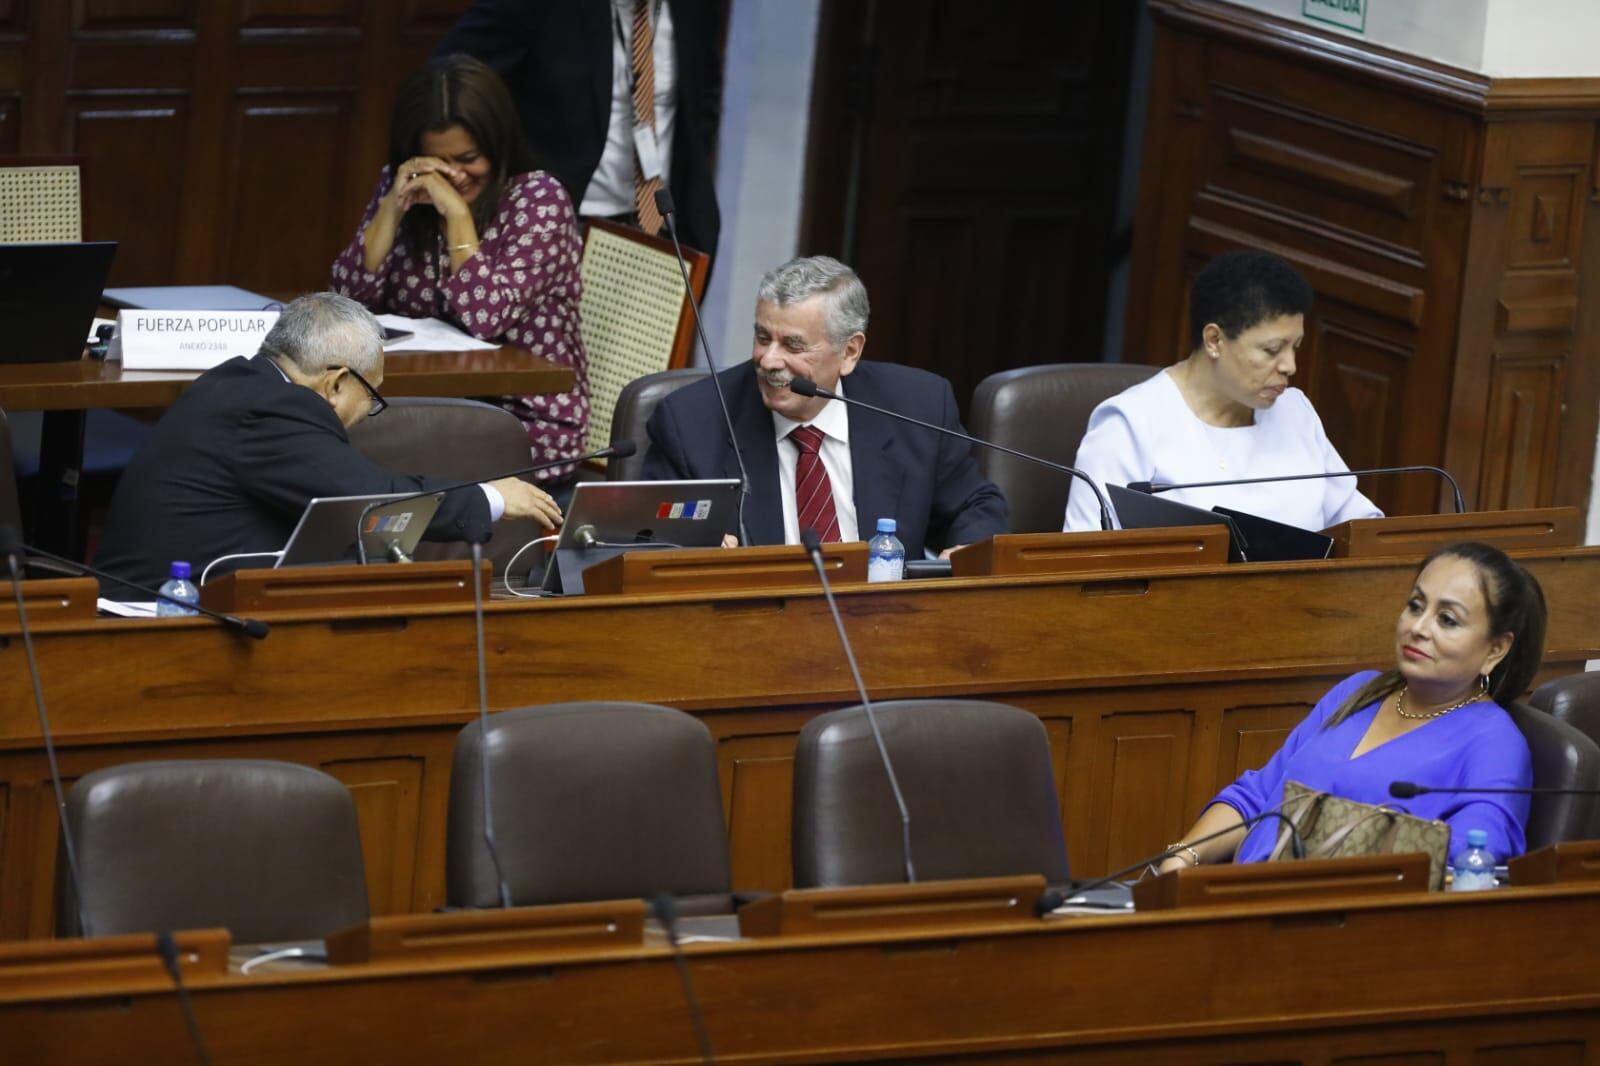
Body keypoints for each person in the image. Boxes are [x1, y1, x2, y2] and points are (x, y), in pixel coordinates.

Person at [92, 293, 562, 594]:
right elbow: (372, 503)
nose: (369, 411)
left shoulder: (239, 384)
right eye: (372, 395)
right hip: (162, 619)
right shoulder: (270, 411)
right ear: (336, 383)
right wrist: (494, 496)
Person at [1158, 541, 1547, 873]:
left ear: (1495, 649)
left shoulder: (1494, 743)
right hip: (1236, 901)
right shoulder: (1358, 691)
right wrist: (1182, 859)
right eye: (1415, 605)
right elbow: (1257, 796)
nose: (1419, 627)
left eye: (1447, 619)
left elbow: (1472, 861)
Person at [330, 54, 589, 488]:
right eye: (436, 162)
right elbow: (347, 301)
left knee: (359, 463)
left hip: (523, 421)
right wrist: (392, 209)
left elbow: (485, 318)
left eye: (468, 158)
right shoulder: (406, 185)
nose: (452, 176)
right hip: (418, 405)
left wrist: (456, 216)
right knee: (320, 443)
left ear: (497, 145)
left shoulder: (538, 199)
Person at [642, 256, 1008, 558]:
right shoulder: (691, 421)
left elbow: (975, 504)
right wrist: (686, 549)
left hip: (887, 624)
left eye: (793, 346)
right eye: (763, 337)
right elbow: (646, 536)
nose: (769, 361)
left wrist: (964, 551)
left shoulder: (917, 405)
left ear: (849, 352)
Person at [1064, 250, 1383, 532]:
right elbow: (1085, 562)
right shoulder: (1131, 424)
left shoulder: (1295, 411)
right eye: (1272, 350)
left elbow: (1360, 526)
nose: (1290, 366)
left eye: (1296, 347)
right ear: (1214, 340)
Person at [432, 0, 723, 256]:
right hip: (560, 225)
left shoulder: (696, 6)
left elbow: (703, 96)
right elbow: (444, 80)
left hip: (664, 226)